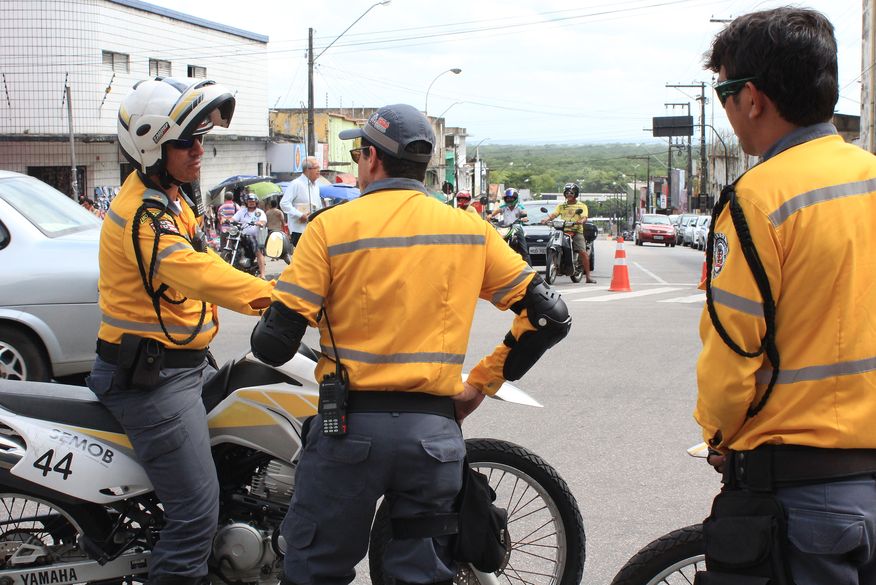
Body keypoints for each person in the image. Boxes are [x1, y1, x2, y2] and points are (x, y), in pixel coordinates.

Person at [250, 103, 571, 585]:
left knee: (315, 569)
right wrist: (481, 383)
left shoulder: (330, 229)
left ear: (373, 161)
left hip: (348, 431)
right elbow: (549, 316)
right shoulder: (470, 231)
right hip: (433, 438)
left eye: (359, 153)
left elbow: (273, 345)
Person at [694, 8, 876, 585]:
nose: (727, 109)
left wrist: (719, 435)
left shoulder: (757, 199)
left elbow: (732, 358)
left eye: (723, 92)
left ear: (752, 98)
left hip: (804, 496)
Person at [87, 77, 273, 585]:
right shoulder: (143, 215)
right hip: (152, 382)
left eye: (200, 138)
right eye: (185, 142)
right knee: (194, 517)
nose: (199, 150)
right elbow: (196, 271)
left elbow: (207, 263)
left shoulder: (172, 198)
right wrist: (276, 299)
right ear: (152, 149)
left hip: (183, 368)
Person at [541, 183, 596, 284]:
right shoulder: (561, 206)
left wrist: (581, 221)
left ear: (576, 194)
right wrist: (547, 219)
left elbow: (584, 217)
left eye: (571, 193)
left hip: (576, 231)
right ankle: (551, 271)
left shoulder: (582, 206)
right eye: (567, 193)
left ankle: (588, 277)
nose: (569, 194)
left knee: (583, 252)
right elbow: (554, 215)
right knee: (550, 246)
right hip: (562, 231)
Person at [280, 155, 324, 246]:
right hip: (299, 231)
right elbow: (284, 203)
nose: (319, 170)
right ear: (307, 170)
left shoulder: (316, 185)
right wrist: (300, 215)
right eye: (316, 167)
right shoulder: (296, 184)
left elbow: (318, 205)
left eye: (319, 167)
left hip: (313, 228)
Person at [489, 188, 531, 265]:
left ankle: (529, 268)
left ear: (515, 198)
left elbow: (524, 214)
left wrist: (524, 218)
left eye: (511, 198)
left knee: (524, 250)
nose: (509, 199)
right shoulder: (504, 207)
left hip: (516, 228)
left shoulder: (519, 207)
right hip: (506, 229)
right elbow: (495, 212)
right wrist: (490, 216)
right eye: (508, 198)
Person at [232, 192, 268, 279]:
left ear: (256, 202)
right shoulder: (242, 211)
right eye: (249, 201)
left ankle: (262, 274)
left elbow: (263, 221)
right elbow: (233, 218)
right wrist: (226, 220)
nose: (251, 203)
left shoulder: (259, 212)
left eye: (253, 201)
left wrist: (259, 223)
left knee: (258, 252)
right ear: (246, 202)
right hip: (242, 235)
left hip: (254, 237)